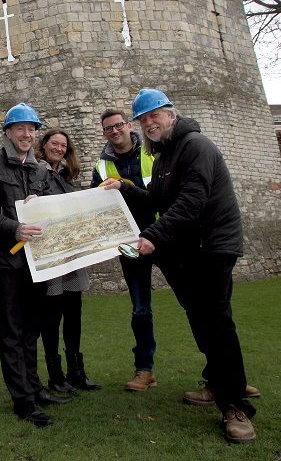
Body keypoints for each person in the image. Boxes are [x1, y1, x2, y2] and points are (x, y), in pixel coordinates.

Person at [103, 89, 257, 444]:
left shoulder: (195, 146)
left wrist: (151, 236)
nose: (149, 123)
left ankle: (234, 406)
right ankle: (219, 384)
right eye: (143, 119)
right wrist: (124, 187)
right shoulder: (164, 157)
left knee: (216, 321)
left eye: (154, 116)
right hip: (191, 248)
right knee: (201, 318)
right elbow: (159, 199)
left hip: (213, 245)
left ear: (171, 114)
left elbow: (192, 200)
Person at [0, 104, 73, 428]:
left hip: (36, 262)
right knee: (13, 331)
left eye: (32, 129)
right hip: (5, 263)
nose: (27, 134)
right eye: (20, 128)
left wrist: (41, 205)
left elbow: (53, 209)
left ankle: (36, 388)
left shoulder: (41, 172)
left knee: (32, 330)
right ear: (8, 132)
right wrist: (14, 227)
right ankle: (23, 401)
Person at [91, 109, 158, 392]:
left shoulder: (155, 154)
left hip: (164, 236)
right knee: (140, 309)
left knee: (194, 304)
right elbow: (95, 205)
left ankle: (220, 370)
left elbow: (163, 197)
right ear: (104, 133)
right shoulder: (102, 167)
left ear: (129, 126)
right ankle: (144, 370)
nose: (115, 131)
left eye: (119, 125)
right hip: (130, 244)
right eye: (109, 128)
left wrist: (126, 188)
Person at [35, 128, 100, 393]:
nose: (59, 149)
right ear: (45, 144)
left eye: (64, 145)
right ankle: (55, 374)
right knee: (52, 315)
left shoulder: (64, 176)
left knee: (74, 313)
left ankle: (75, 371)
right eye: (55, 143)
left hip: (72, 254)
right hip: (51, 256)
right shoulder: (36, 171)